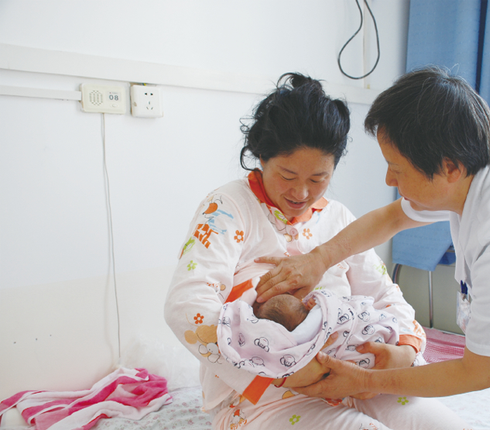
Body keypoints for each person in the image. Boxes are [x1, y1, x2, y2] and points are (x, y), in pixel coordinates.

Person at [254, 66, 490, 430]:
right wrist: (318, 259)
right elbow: (391, 218)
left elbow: (480, 373)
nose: (389, 177)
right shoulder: (481, 172)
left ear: (449, 167)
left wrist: (366, 379)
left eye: (398, 168)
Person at [164, 72, 470, 430]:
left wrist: (402, 351)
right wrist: (284, 372)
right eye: (288, 175)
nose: (302, 194)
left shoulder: (338, 218)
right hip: (270, 393)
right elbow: (186, 306)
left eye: (318, 179)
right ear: (262, 157)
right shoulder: (228, 208)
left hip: (360, 375)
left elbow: (387, 296)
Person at [218, 284, 419, 379]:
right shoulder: (316, 317)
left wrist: (408, 348)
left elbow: (387, 292)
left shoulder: (296, 339)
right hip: (371, 336)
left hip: (374, 351)